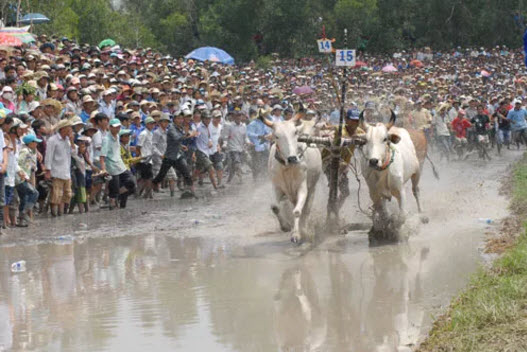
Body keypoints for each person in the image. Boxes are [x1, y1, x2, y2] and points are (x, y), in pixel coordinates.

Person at [152, 112, 196, 197]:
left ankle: (193, 193)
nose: (180, 120)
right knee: (161, 176)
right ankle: (150, 188)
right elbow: (176, 138)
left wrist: (181, 146)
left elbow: (174, 142)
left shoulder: (178, 128)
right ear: (174, 119)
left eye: (181, 119)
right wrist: (188, 135)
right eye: (178, 118)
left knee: (186, 173)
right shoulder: (172, 128)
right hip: (169, 156)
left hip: (177, 155)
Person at [100, 118, 136, 209]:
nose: (117, 129)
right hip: (111, 167)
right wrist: (104, 169)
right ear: (110, 127)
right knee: (114, 190)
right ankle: (113, 201)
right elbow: (102, 156)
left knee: (131, 183)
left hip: (120, 165)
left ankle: (114, 197)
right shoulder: (106, 139)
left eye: (118, 127)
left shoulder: (117, 137)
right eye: (115, 127)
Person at [44, 119, 73, 217]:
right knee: (56, 195)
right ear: (63, 129)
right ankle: (54, 213)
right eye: (69, 128)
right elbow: (48, 156)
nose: (71, 130)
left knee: (67, 194)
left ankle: (60, 213)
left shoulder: (68, 140)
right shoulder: (53, 140)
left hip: (66, 171)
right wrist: (48, 170)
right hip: (56, 171)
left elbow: (74, 153)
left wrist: (72, 142)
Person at [15, 134, 40, 226]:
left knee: (24, 198)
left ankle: (21, 221)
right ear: (30, 143)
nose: (36, 144)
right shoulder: (25, 151)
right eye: (35, 142)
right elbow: (18, 163)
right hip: (20, 178)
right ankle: (24, 213)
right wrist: (24, 175)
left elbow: (28, 164)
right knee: (34, 193)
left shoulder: (29, 151)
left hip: (23, 177)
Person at [152, 113, 177, 196]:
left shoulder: (167, 132)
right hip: (159, 158)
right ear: (160, 123)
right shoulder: (157, 133)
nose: (166, 124)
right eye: (164, 122)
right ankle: (149, 193)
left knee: (172, 176)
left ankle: (172, 194)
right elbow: (153, 146)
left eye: (167, 122)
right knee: (157, 178)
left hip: (167, 157)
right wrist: (160, 155)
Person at [222, 110, 247, 184]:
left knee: (233, 167)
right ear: (234, 117)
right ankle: (241, 180)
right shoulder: (229, 126)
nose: (238, 117)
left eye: (240, 115)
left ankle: (229, 181)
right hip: (232, 148)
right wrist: (225, 144)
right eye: (237, 116)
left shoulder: (244, 126)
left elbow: (245, 137)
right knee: (237, 163)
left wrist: (248, 142)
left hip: (241, 148)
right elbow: (225, 137)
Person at [195, 110, 218, 189]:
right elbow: (195, 138)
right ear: (202, 119)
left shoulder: (210, 126)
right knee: (210, 168)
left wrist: (210, 141)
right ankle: (215, 187)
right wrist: (194, 153)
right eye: (206, 119)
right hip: (200, 151)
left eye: (209, 118)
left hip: (206, 151)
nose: (208, 120)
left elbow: (209, 136)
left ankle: (189, 183)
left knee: (197, 170)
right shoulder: (199, 127)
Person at [246, 109, 272, 180]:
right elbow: (249, 134)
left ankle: (264, 178)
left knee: (266, 162)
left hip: (264, 146)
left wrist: (268, 135)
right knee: (256, 164)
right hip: (255, 146)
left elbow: (266, 131)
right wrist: (258, 136)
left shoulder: (263, 123)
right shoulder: (252, 124)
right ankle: (256, 179)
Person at [136, 116, 155, 198]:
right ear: (146, 124)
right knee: (148, 178)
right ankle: (148, 194)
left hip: (149, 159)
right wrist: (140, 157)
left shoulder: (151, 133)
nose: (152, 125)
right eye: (150, 124)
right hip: (144, 160)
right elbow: (138, 147)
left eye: (153, 124)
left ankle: (141, 194)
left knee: (145, 178)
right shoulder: (143, 134)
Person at [209, 110, 224, 187]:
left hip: (216, 150)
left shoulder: (220, 126)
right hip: (207, 150)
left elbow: (220, 138)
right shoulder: (208, 126)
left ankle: (220, 183)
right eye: (216, 117)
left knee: (219, 166)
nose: (218, 119)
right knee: (206, 169)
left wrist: (219, 145)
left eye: (219, 117)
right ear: (212, 118)